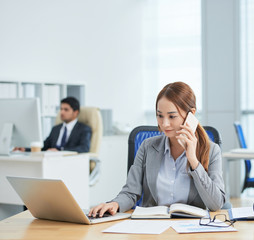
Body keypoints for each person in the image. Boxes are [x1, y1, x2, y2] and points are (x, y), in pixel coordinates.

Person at [89, 82, 225, 218]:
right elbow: (131, 192)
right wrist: (115, 204)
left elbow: (216, 203)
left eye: (172, 116)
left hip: (191, 230)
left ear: (191, 114)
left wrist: (193, 161)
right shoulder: (147, 146)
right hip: (152, 226)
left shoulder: (212, 150)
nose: (164, 124)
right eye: (160, 116)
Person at [15, 97, 91, 153]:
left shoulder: (84, 129)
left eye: (66, 109)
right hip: (51, 159)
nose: (62, 112)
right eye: (61, 109)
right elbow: (45, 146)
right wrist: (26, 149)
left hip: (70, 161)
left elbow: (84, 148)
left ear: (76, 112)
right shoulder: (56, 129)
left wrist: (60, 151)